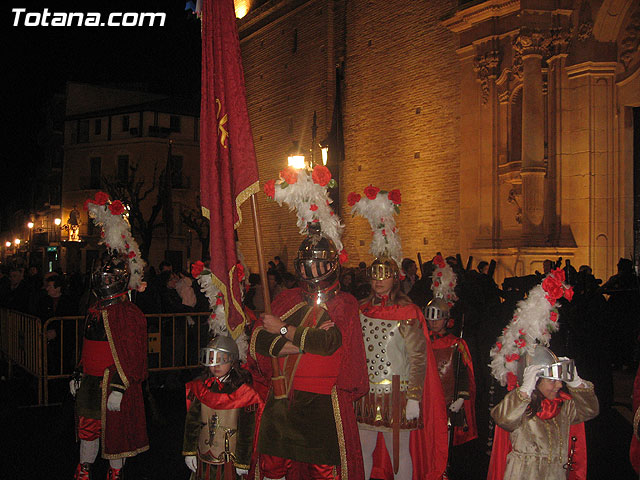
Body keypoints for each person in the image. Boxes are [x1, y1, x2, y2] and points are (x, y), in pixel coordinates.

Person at [249, 223, 368, 480]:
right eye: (306, 263)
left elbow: (328, 343)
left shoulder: (344, 303)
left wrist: (283, 330)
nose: (311, 269)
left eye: (317, 263)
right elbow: (258, 340)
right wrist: (300, 342)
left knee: (323, 472)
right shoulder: (287, 298)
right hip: (284, 398)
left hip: (322, 403)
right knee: (272, 466)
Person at [359, 257, 448, 480]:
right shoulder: (361, 309)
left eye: (385, 275)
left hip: (396, 393)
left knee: (398, 454)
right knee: (362, 450)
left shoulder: (408, 312)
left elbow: (418, 358)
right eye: (375, 275)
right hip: (366, 393)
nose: (379, 280)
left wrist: (414, 397)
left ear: (394, 278)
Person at [71, 254, 148, 480]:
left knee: (116, 433)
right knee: (88, 429)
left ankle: (115, 471)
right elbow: (88, 346)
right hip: (90, 382)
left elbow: (134, 356)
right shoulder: (94, 309)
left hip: (113, 381)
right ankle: (84, 467)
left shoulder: (128, 313)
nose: (104, 282)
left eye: (108, 278)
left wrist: (120, 386)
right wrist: (78, 371)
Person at [488, 346, 599, 480]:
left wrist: (577, 383)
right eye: (552, 381)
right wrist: (524, 391)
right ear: (535, 382)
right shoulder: (519, 405)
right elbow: (503, 419)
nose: (559, 385)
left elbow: (590, 411)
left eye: (559, 380)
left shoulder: (563, 405)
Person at [183, 336, 262, 479]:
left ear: (232, 361)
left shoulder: (244, 393)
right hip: (203, 457)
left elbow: (247, 430)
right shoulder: (201, 389)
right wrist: (189, 452)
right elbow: (192, 422)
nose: (216, 365)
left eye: (222, 359)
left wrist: (242, 462)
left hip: (229, 461)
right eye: (212, 359)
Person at [424, 297, 477, 447]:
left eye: (437, 319)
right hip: (426, 400)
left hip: (447, 401)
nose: (433, 323)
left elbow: (463, 374)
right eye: (430, 320)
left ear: (447, 320)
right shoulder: (422, 342)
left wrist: (461, 397)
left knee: (444, 443)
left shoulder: (456, 344)